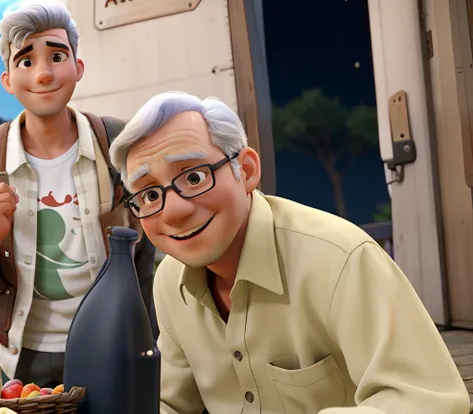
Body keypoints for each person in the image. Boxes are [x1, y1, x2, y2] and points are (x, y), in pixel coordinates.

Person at [108, 91, 471, 414]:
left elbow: (428, 400)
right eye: (150, 195)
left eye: (193, 177)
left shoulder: (340, 259)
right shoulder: (172, 281)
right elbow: (171, 402)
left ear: (246, 170)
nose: (173, 211)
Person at [0, 1, 156, 388]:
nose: (43, 74)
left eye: (56, 56)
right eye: (26, 62)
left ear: (77, 67)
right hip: (27, 356)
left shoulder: (117, 146)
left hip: (118, 344)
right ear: (8, 80)